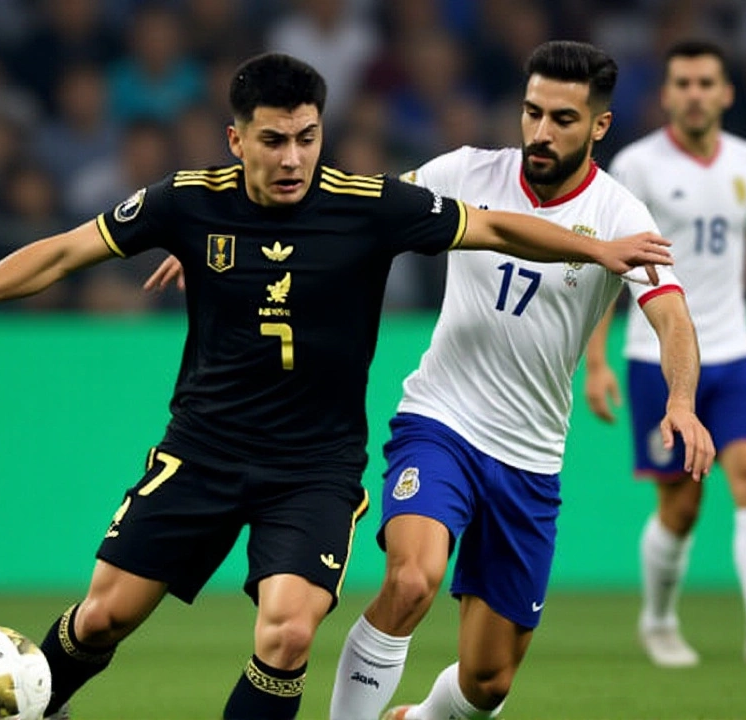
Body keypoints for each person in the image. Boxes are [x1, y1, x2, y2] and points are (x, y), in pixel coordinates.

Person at [0, 53, 674, 720]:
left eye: (307, 138)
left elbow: (495, 225)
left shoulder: (368, 207)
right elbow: (63, 252)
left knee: (288, 634)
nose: (293, 158)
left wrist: (591, 250)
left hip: (314, 468)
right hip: (203, 449)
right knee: (105, 617)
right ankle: (37, 705)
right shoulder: (187, 201)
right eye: (273, 141)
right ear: (237, 140)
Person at [145, 43, 712, 720]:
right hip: (439, 421)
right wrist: (230, 243)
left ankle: (421, 715)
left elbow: (674, 319)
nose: (540, 131)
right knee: (412, 580)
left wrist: (681, 399)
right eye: (531, 112)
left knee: (489, 683)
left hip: (530, 456)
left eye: (563, 118)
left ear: (599, 126)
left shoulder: (623, 217)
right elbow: (345, 217)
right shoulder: (464, 171)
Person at [584, 39, 746, 669]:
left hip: (734, 351)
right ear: (667, 94)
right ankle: (658, 619)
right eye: (682, 82)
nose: (694, 93)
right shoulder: (636, 166)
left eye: (705, 82)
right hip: (652, 356)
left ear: (726, 93)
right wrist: (597, 358)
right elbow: (611, 268)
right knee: (681, 507)